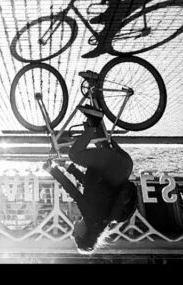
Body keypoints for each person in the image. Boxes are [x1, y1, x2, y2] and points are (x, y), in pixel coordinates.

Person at [43, 106, 138, 253]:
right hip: (113, 164)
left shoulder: (102, 218)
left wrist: (69, 168)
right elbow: (74, 192)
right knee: (75, 154)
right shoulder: (92, 218)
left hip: (123, 165)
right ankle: (93, 121)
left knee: (98, 137)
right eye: (75, 236)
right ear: (83, 234)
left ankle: (95, 97)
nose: (73, 233)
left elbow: (89, 184)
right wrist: (52, 170)